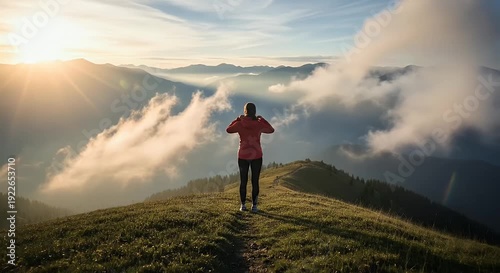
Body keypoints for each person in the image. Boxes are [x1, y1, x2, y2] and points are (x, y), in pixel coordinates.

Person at [226, 102, 275, 212]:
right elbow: (271, 130)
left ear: (245, 111)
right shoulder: (258, 124)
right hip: (257, 155)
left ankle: (243, 205)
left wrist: (237, 119)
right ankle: (254, 206)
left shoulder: (240, 124)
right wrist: (262, 119)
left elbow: (228, 129)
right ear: (255, 111)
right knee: (255, 181)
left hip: (243, 155)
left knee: (243, 181)